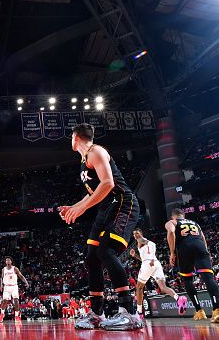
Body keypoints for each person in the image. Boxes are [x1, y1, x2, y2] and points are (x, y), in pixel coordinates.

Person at [60, 123, 141, 331]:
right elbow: (92, 192)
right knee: (91, 258)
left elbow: (108, 184)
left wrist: (82, 209)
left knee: (106, 251)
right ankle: (96, 314)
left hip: (122, 203)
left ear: (75, 138)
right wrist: (74, 207)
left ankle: (129, 313)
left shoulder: (95, 151)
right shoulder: (84, 160)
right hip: (106, 209)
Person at [165, 208, 219, 322]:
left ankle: (199, 311)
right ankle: (217, 310)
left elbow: (170, 232)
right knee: (208, 278)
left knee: (188, 279)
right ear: (183, 216)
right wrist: (205, 252)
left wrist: (172, 253)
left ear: (173, 216)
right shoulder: (195, 223)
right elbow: (203, 238)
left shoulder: (172, 222)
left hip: (185, 250)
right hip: (200, 247)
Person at [130, 228, 187, 318]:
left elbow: (152, 244)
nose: (135, 235)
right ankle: (178, 299)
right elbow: (144, 258)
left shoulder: (140, 239)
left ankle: (139, 313)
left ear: (141, 233)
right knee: (163, 287)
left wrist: (152, 258)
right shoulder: (141, 243)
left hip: (150, 263)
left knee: (139, 288)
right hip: (155, 264)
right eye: (134, 234)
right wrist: (135, 255)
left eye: (137, 233)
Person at [0, 256, 29, 322]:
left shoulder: (15, 268)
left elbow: (21, 276)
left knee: (16, 300)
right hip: (6, 286)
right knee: (4, 301)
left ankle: (16, 315)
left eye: (9, 260)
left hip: (14, 286)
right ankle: (2, 314)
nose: (7, 261)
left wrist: (26, 282)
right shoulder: (3, 269)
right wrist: (1, 285)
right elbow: (1, 278)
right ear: (5, 262)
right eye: (6, 260)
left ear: (11, 262)